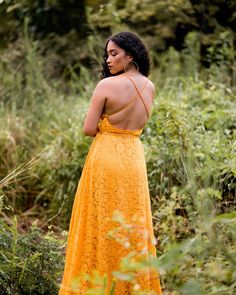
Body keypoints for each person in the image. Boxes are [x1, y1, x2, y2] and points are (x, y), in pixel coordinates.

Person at [59, 31, 162, 295]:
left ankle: (95, 285)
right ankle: (131, 286)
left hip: (105, 156)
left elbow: (87, 128)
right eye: (107, 54)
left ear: (131, 55)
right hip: (134, 159)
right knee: (132, 221)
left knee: (99, 221)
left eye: (114, 54)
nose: (108, 60)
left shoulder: (106, 86)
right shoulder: (149, 86)